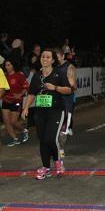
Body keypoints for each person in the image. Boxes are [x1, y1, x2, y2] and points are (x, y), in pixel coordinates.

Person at [21, 48, 72, 180]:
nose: (45, 59)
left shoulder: (58, 73)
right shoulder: (37, 76)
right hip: (41, 111)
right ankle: (46, 168)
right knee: (43, 140)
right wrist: (25, 107)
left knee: (51, 139)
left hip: (56, 110)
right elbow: (31, 93)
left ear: (53, 60)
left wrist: (55, 88)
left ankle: (58, 163)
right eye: (43, 56)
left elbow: (68, 90)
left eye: (48, 57)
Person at [55, 48, 77, 158]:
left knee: (63, 129)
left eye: (57, 57)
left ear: (62, 56)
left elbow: (73, 86)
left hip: (66, 102)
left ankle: (61, 149)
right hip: (53, 103)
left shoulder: (69, 67)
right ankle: (54, 147)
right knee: (52, 129)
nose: (55, 59)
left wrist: (68, 84)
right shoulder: (50, 68)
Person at [2, 59, 30, 146]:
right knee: (6, 121)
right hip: (6, 101)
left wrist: (20, 94)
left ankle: (24, 130)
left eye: (9, 65)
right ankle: (14, 138)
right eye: (5, 65)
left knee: (13, 122)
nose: (7, 67)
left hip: (16, 101)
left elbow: (26, 87)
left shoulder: (19, 75)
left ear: (13, 65)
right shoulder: (3, 76)